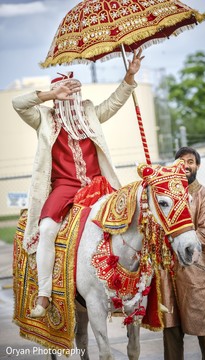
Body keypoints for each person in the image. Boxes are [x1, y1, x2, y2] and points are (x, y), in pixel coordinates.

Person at [12, 49, 144, 318]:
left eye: (74, 93)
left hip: (97, 185)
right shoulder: (44, 119)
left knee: (132, 222)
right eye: (65, 94)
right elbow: (18, 103)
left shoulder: (89, 113)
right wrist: (50, 95)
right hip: (64, 187)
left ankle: (137, 290)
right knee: (47, 228)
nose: (71, 99)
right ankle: (45, 295)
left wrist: (129, 76)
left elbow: (115, 101)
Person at [161, 146, 205, 360]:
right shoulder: (167, 198)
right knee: (171, 330)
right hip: (168, 274)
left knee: (204, 328)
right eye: (181, 161)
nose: (186, 165)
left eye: (190, 161)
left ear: (197, 166)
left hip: (194, 273)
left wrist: (177, 241)